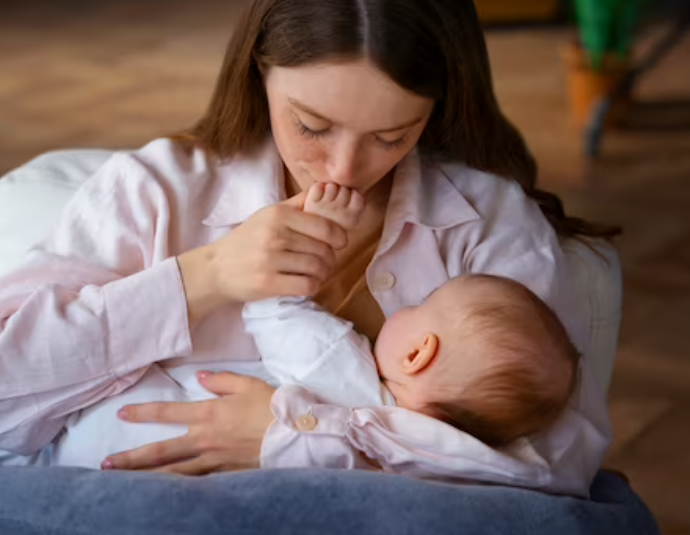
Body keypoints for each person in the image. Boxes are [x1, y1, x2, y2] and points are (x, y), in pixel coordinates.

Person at [0, 0, 616, 497]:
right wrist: (205, 278)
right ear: (258, 71)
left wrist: (299, 437)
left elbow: (557, 464)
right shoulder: (158, 192)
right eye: (312, 126)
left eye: (391, 136)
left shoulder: (485, 223)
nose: (347, 168)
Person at [47, 184, 579, 483]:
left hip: (119, 443)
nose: (407, 303)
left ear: (418, 354)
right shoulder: (456, 459)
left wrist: (312, 244)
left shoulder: (343, 367)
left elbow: (273, 313)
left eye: (422, 303)